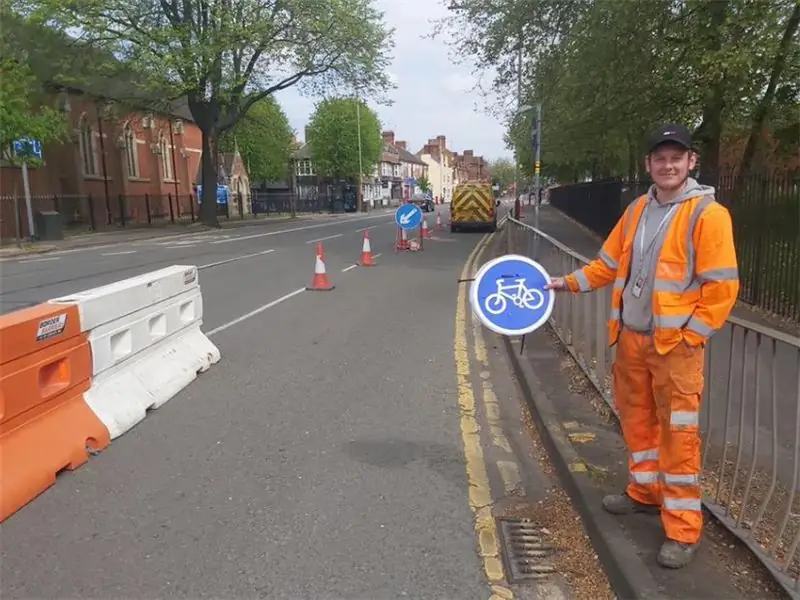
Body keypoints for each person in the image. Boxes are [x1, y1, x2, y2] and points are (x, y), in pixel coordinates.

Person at [546, 124, 739, 569]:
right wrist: (564, 283)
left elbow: (722, 287)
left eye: (677, 158)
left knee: (678, 437)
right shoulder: (637, 209)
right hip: (632, 339)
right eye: (660, 158)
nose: (668, 165)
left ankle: (683, 529)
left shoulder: (708, 215)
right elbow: (607, 265)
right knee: (637, 423)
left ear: (691, 162)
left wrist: (691, 337)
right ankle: (645, 492)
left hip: (676, 349)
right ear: (648, 164)